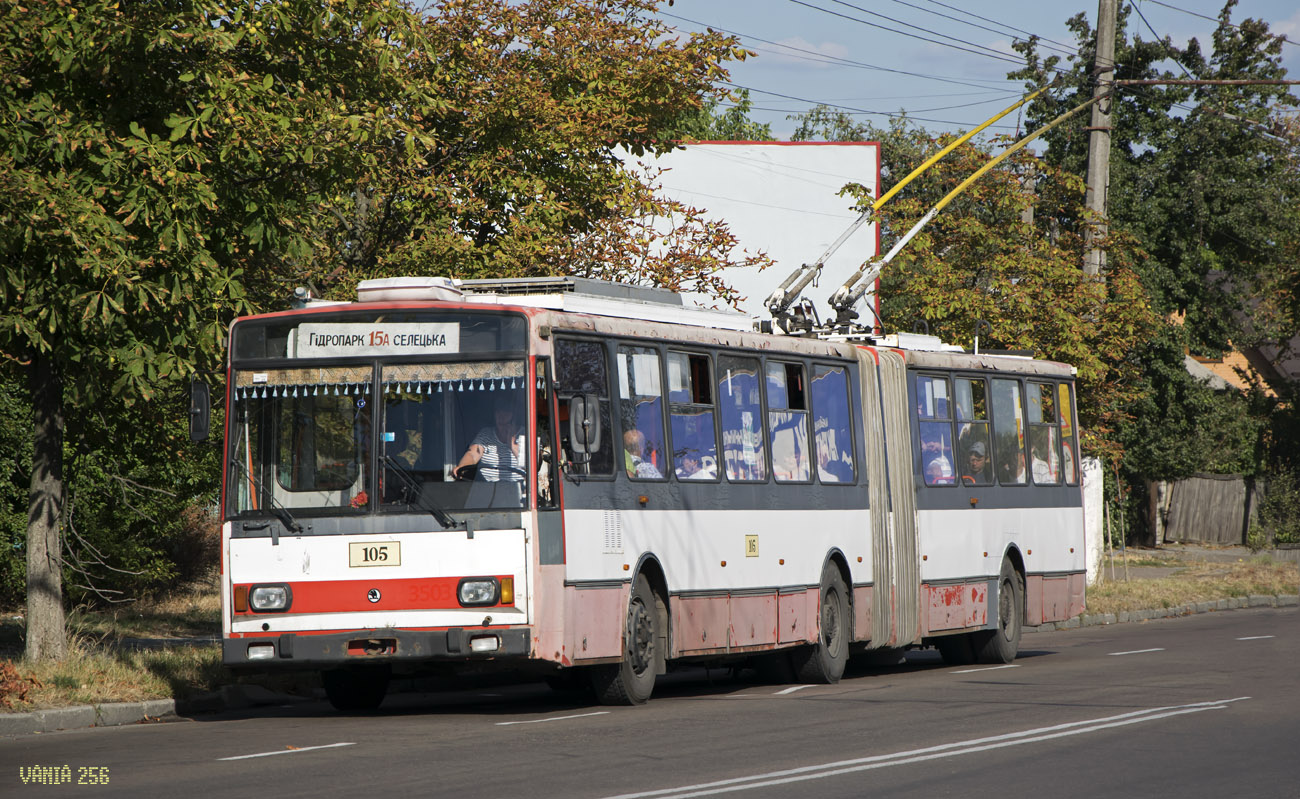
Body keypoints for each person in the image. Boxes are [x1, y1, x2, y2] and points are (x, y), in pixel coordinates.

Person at [457, 398, 526, 482]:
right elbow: (472, 454)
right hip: (487, 490)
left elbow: (532, 467)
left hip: (518, 491)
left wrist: (512, 445)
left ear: (514, 415)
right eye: (498, 412)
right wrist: (462, 467)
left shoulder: (526, 434)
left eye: (506, 412)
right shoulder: (486, 434)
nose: (501, 416)